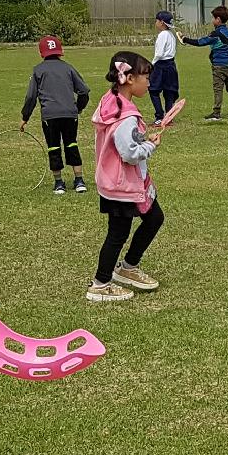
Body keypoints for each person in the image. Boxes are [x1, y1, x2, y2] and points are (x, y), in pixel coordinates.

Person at [89, 52, 168, 303]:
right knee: (118, 233)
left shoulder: (110, 101)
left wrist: (142, 142)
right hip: (121, 184)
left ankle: (128, 267)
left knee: (154, 217)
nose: (149, 82)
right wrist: (151, 145)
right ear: (129, 78)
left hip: (121, 182)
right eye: (146, 77)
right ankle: (101, 284)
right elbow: (130, 152)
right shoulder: (125, 116)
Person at [19, 34, 91, 194]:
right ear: (60, 51)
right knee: (71, 143)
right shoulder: (68, 68)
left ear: (41, 53)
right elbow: (84, 91)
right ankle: (79, 181)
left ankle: (59, 183)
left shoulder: (38, 71)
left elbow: (31, 97)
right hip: (69, 115)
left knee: (54, 146)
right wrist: (78, 108)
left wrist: (25, 117)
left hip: (50, 116)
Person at [183, 4, 228, 121]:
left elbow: (200, 42)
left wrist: (185, 39)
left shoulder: (215, 34)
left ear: (218, 19)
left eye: (213, 18)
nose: (212, 21)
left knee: (218, 88)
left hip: (219, 65)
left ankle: (216, 113)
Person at [149, 12, 181, 123]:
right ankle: (169, 116)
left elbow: (159, 53)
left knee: (153, 90)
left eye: (157, 20)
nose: (156, 23)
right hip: (171, 64)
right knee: (169, 91)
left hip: (161, 65)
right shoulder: (171, 35)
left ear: (161, 22)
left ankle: (159, 116)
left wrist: (152, 64)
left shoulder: (163, 35)